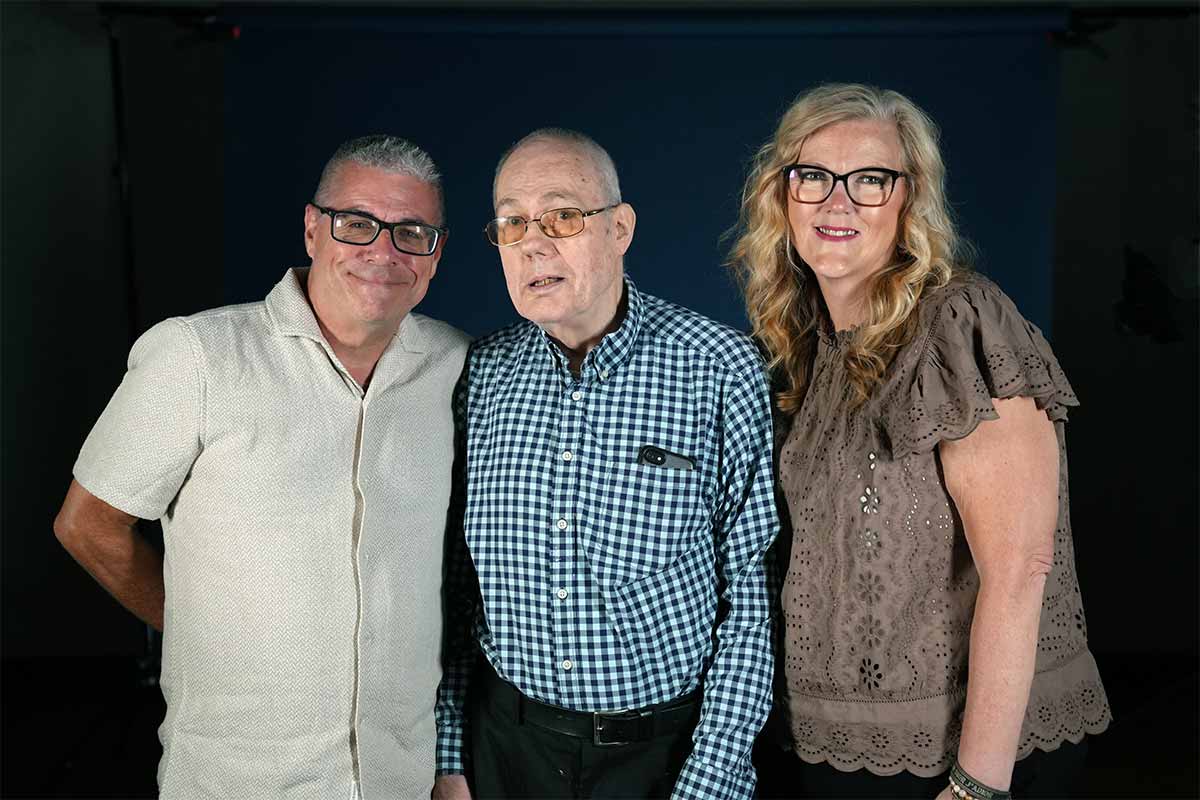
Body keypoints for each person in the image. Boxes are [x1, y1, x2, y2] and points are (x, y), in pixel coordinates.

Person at [53, 135, 469, 799]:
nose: (382, 253)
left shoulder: (460, 369)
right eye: (357, 224)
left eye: (411, 233)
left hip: (403, 781)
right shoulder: (198, 356)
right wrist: (199, 628)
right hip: (235, 781)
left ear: (436, 253)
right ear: (312, 228)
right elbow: (89, 525)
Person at [730, 84, 1111, 799]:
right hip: (830, 752)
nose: (836, 203)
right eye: (812, 176)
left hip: (964, 761)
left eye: (870, 180)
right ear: (782, 196)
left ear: (911, 201)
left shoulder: (960, 325)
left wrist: (975, 786)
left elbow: (1022, 566)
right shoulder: (802, 347)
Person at [432, 128, 779, 800]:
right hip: (504, 751)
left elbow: (752, 603)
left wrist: (709, 783)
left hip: (663, 762)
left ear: (620, 228)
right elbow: (456, 586)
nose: (534, 242)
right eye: (511, 223)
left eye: (563, 215)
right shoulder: (481, 376)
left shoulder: (721, 367)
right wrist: (452, 759)